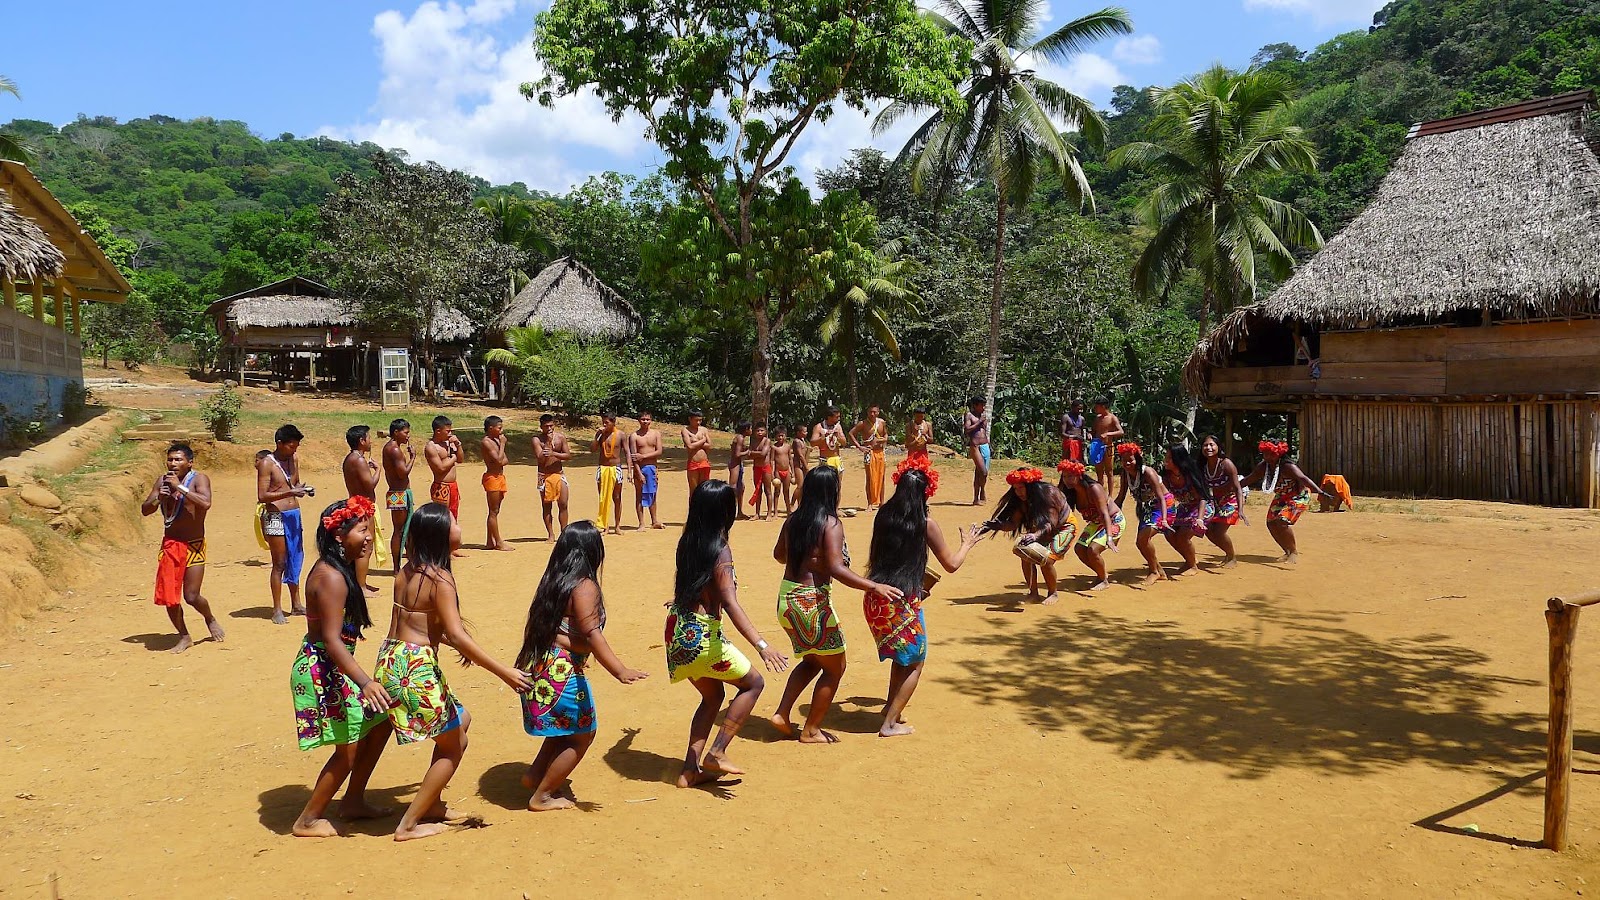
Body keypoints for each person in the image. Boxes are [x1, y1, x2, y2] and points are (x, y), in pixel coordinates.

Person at [374, 503, 532, 841]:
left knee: (460, 721)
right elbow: (456, 633)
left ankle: (431, 804)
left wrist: (455, 644)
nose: (459, 526)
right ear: (441, 535)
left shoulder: (407, 570)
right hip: (415, 668)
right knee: (452, 745)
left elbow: (421, 623)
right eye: (454, 522)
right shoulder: (440, 578)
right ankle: (409, 824)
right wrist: (504, 672)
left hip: (392, 658)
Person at [515, 521, 648, 810]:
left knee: (564, 729)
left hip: (541, 666)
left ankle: (536, 774)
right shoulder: (584, 585)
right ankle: (543, 795)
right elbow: (591, 632)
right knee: (582, 734)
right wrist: (619, 669)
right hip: (561, 673)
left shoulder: (553, 580)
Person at [667, 481, 788, 786]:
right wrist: (761, 644)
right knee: (753, 684)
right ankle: (717, 752)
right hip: (702, 636)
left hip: (678, 629)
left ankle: (689, 771)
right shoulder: (720, 549)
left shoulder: (688, 541)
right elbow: (730, 602)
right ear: (726, 512)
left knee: (713, 697)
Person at [770, 465, 902, 744]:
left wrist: (804, 556)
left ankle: (782, 713)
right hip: (812, 602)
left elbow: (779, 555)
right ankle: (811, 730)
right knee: (834, 668)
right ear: (833, 492)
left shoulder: (793, 520)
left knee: (811, 660)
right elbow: (836, 568)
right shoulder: (830, 523)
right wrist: (873, 585)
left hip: (787, 599)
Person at [289, 497, 394, 838]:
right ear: (338, 536)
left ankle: (353, 801)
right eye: (362, 529)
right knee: (347, 748)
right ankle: (307, 820)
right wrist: (365, 682)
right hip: (324, 669)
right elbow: (333, 640)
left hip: (334, 665)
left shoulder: (339, 568)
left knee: (380, 722)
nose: (368, 536)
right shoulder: (331, 577)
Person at [865, 458, 979, 737]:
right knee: (915, 661)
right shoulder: (926, 523)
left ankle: (892, 708)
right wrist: (967, 544)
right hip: (902, 603)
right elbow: (951, 564)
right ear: (926, 493)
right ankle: (889, 723)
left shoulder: (883, 515)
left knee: (901, 658)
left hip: (876, 599)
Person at [141, 442, 222, 652]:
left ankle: (209, 617)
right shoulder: (162, 481)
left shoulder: (199, 479)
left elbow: (205, 503)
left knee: (192, 596)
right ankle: (184, 636)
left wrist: (180, 488)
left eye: (178, 459)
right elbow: (145, 510)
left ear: (189, 462)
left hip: (194, 545)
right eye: (170, 459)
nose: (173, 463)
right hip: (171, 544)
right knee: (170, 595)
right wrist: (160, 497)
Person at [981, 467, 1075, 605]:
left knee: (1046, 560)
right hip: (1038, 530)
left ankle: (1052, 593)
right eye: (1015, 489)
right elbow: (1013, 523)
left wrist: (1035, 535)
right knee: (1025, 554)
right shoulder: (1021, 501)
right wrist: (998, 526)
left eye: (1021, 488)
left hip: (1063, 527)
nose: (1018, 492)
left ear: (1030, 487)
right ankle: (1033, 593)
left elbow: (1051, 524)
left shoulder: (1049, 494)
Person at [1240, 440, 1335, 564]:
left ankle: (1293, 552)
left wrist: (1320, 492)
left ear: (1279, 453)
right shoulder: (1263, 467)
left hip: (1298, 496)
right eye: (1265, 454)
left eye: (1271, 454)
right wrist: (1232, 487)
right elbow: (1249, 479)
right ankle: (1287, 551)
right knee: (1271, 523)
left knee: (1282, 521)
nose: (1268, 457)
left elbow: (1303, 478)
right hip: (1282, 497)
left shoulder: (1288, 466)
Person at [259, 424, 311, 625]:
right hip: (275, 516)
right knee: (279, 562)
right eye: (291, 446)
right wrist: (290, 493)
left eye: (296, 446)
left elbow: (294, 484)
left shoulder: (294, 459)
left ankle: (296, 604)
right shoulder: (267, 464)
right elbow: (262, 495)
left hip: (293, 514)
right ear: (279, 444)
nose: (294, 450)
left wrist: (302, 489)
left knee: (295, 559)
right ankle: (277, 609)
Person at [1114, 442, 1175, 586]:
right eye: (1124, 460)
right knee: (1140, 542)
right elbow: (1121, 497)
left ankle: (1153, 572)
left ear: (1138, 458)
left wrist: (1165, 519)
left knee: (1143, 539)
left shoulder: (1148, 472)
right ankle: (1159, 571)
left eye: (1130, 459)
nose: (1127, 463)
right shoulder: (1125, 474)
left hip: (1163, 505)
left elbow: (1161, 497)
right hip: (1147, 509)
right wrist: (1111, 514)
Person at [1057, 460, 1122, 591]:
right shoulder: (1071, 492)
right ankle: (1101, 574)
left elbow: (1105, 514)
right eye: (1064, 476)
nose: (1067, 480)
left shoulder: (1094, 488)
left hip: (1113, 520)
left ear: (1079, 475)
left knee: (1093, 550)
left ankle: (1104, 580)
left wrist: (1109, 539)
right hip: (1095, 523)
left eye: (1070, 476)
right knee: (1080, 549)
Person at [342, 425, 385, 590]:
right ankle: (360, 587)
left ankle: (361, 583)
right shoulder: (358, 460)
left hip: (357, 504)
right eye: (368, 437)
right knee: (365, 547)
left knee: (362, 545)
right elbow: (370, 485)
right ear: (361, 440)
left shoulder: (351, 458)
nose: (370, 441)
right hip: (362, 506)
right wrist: (378, 470)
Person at [1160, 444, 1211, 577]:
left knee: (1182, 536)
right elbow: (1164, 497)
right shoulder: (1166, 475)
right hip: (1184, 508)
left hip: (1201, 507)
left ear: (1178, 460)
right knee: (1169, 533)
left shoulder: (1190, 473)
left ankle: (1192, 565)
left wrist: (1199, 519)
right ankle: (1190, 559)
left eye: (1169, 458)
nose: (1165, 460)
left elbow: (1203, 498)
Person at [1201, 434, 1246, 567]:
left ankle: (1232, 557)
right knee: (1208, 530)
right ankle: (1228, 554)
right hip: (1216, 501)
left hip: (1232, 499)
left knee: (1219, 531)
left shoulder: (1226, 464)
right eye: (1205, 445)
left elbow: (1238, 488)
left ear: (1218, 447)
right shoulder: (1202, 466)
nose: (1208, 448)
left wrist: (1241, 509)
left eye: (1211, 445)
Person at [531, 414, 573, 540]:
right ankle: (551, 534)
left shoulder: (560, 438)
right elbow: (540, 458)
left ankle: (564, 532)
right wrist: (548, 444)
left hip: (558, 474)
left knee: (563, 504)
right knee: (547, 505)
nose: (549, 428)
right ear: (541, 427)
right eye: (546, 426)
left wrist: (554, 453)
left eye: (551, 425)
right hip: (544, 476)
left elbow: (568, 455)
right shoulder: (536, 440)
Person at [424, 415, 465, 538]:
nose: (450, 433)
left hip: (452, 486)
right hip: (441, 486)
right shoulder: (431, 447)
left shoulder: (449, 443)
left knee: (453, 516)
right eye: (447, 431)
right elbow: (440, 468)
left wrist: (458, 445)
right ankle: (441, 548)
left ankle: (451, 547)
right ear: (438, 431)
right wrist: (453, 457)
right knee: (442, 518)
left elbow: (461, 459)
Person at [383, 419, 416, 568]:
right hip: (399, 493)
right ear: (396, 432)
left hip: (399, 493)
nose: (408, 436)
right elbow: (402, 473)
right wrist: (413, 458)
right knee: (399, 530)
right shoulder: (394, 449)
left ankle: (406, 563)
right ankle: (397, 567)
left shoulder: (391, 447)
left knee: (406, 529)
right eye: (405, 432)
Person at [593, 413, 629, 535]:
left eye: (606, 423)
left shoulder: (620, 435)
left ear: (613, 422)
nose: (604, 425)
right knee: (603, 497)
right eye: (603, 422)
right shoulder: (601, 435)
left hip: (615, 468)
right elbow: (592, 449)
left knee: (617, 497)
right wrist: (597, 436)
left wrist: (629, 470)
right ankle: (605, 526)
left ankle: (617, 526)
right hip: (602, 468)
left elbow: (627, 452)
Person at [481, 416, 513, 551]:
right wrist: (503, 444)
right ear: (491, 428)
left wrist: (500, 455)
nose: (501, 431)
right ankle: (498, 542)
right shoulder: (487, 442)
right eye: (499, 428)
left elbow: (505, 459)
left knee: (496, 510)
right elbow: (500, 460)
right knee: (493, 511)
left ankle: (490, 540)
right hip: (492, 477)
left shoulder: (496, 441)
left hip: (499, 476)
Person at [851, 405, 890, 510]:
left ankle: (882, 502)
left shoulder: (881, 422)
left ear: (878, 412)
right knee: (870, 478)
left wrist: (880, 440)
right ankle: (870, 503)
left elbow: (886, 436)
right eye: (870, 412)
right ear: (867, 413)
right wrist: (860, 447)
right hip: (869, 452)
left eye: (874, 412)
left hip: (881, 452)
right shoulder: (863, 424)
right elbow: (851, 433)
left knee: (881, 477)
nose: (872, 414)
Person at [631, 412, 665, 530]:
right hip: (640, 469)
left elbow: (659, 451)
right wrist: (638, 473)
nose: (645, 421)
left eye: (647, 419)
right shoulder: (634, 436)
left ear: (651, 420)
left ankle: (654, 520)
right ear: (639, 420)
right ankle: (641, 523)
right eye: (643, 419)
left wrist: (643, 457)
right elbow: (633, 456)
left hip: (652, 468)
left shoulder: (656, 434)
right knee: (639, 495)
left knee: (653, 494)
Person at [1089, 399, 1125, 487]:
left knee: (1109, 471)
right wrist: (1090, 434)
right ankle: (1101, 491)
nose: (1095, 409)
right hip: (1097, 446)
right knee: (1099, 471)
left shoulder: (1112, 418)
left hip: (1108, 446)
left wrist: (1108, 434)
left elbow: (1121, 431)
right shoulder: (1097, 418)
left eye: (1097, 407)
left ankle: (1110, 495)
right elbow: (1093, 431)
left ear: (1103, 407)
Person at [963, 398, 991, 506]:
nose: (983, 408)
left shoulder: (983, 417)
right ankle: (980, 493)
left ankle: (978, 496)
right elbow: (967, 430)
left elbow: (984, 431)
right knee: (982, 471)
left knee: (981, 473)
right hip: (975, 446)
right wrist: (979, 422)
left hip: (985, 445)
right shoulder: (969, 415)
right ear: (975, 405)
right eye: (981, 405)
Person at [682, 409, 714, 493]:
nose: (698, 422)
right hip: (693, 463)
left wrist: (696, 442)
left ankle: (704, 506)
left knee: (704, 490)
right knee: (694, 491)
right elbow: (689, 446)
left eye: (700, 420)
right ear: (690, 419)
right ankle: (693, 506)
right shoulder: (685, 430)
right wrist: (703, 441)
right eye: (696, 420)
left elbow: (709, 445)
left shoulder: (704, 430)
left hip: (704, 462)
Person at [748, 423, 775, 519]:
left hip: (765, 467)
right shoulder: (753, 442)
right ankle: (757, 513)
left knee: (768, 490)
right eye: (757, 431)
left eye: (761, 430)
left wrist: (753, 453)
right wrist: (755, 453)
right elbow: (749, 454)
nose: (759, 432)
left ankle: (769, 513)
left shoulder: (767, 441)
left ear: (765, 431)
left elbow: (763, 454)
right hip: (756, 468)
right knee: (758, 490)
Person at [728, 422, 752, 515]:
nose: (751, 430)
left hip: (738, 464)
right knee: (733, 487)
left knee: (741, 488)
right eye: (750, 428)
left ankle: (739, 512)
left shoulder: (740, 438)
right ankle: (731, 511)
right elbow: (737, 454)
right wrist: (747, 452)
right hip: (735, 464)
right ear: (746, 429)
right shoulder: (740, 438)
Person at [771, 425, 797, 516]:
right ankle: (775, 511)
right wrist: (772, 473)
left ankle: (788, 510)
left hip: (787, 472)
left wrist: (793, 472)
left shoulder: (787, 446)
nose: (780, 437)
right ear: (775, 436)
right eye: (779, 436)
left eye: (782, 435)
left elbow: (790, 459)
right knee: (777, 492)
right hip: (778, 472)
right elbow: (772, 460)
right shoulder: (774, 447)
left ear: (785, 436)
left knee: (786, 491)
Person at [790, 421, 812, 505]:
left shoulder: (803, 440)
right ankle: (792, 504)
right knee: (800, 486)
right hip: (798, 465)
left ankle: (800, 504)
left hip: (803, 464)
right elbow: (799, 455)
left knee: (804, 487)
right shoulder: (796, 441)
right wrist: (806, 466)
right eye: (804, 431)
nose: (806, 433)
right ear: (798, 433)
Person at [1061, 400, 1088, 464]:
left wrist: (1088, 434)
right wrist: (1074, 437)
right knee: (1068, 463)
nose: (1080, 411)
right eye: (1078, 409)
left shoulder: (1082, 418)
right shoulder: (1066, 417)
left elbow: (1083, 430)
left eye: (1081, 409)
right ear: (1073, 407)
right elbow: (1062, 433)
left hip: (1079, 444)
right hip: (1069, 444)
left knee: (1078, 463)